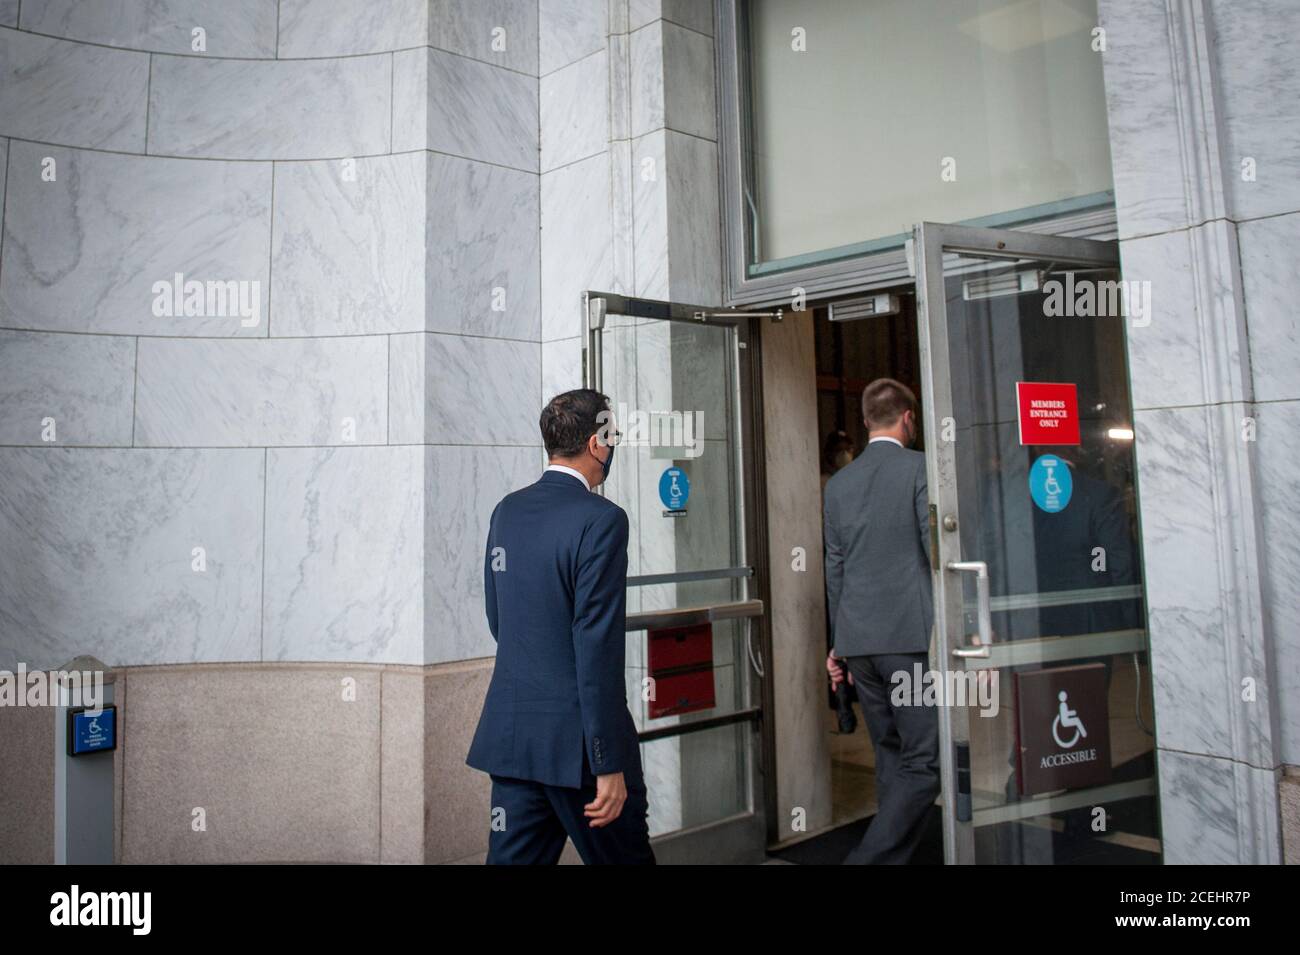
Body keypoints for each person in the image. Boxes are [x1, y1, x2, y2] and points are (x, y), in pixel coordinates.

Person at [465, 388, 654, 865]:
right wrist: (607, 762)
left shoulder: (507, 510)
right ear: (597, 444)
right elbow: (596, 646)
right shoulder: (603, 520)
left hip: (514, 742)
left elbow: (498, 619)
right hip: (580, 752)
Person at [823, 378, 938, 864]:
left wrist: (837, 645)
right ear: (908, 418)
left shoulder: (839, 484)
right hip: (909, 638)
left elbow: (834, 567)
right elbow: (936, 549)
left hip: (859, 642)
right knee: (926, 760)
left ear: (867, 421)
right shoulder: (920, 468)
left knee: (891, 753)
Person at [821, 429, 859, 733]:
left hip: (847, 576)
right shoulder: (825, 485)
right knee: (837, 647)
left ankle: (847, 705)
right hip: (831, 579)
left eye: (848, 448)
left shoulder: (851, 483)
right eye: (841, 449)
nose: (845, 454)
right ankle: (843, 709)